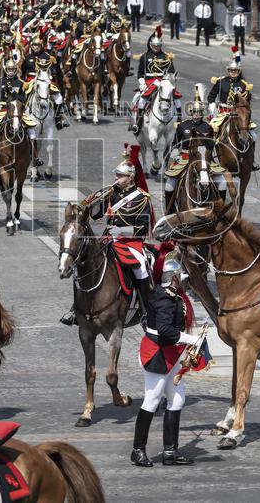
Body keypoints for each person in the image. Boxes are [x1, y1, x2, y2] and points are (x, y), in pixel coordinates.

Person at [60, 146, 153, 326]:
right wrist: (93, 203)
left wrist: (121, 232)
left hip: (129, 242)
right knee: (81, 263)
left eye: (120, 176)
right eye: (116, 175)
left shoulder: (142, 198)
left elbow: (142, 228)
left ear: (130, 178)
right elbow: (96, 215)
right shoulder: (112, 193)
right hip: (107, 239)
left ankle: (145, 310)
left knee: (141, 267)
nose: (116, 178)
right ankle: (75, 308)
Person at [131, 252, 199, 467]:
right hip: (158, 354)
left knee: (177, 400)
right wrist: (192, 339)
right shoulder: (164, 297)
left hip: (172, 353)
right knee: (151, 400)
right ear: (174, 278)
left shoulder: (171, 294)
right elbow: (165, 330)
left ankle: (170, 451)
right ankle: (137, 450)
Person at [164, 97, 227, 213]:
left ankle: (221, 211)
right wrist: (174, 153)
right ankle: (169, 212)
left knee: (222, 182)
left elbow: (211, 145)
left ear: (202, 113)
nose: (196, 115)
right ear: (191, 112)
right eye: (194, 112)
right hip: (185, 158)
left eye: (198, 112)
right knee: (169, 184)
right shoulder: (183, 126)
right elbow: (175, 143)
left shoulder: (208, 127)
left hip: (203, 158)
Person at [130, 27, 180, 135]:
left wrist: (170, 82)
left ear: (160, 46)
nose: (156, 48)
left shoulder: (167, 57)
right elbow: (139, 72)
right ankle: (137, 124)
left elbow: (172, 72)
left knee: (177, 101)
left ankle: (179, 124)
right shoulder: (145, 56)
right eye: (154, 46)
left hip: (163, 82)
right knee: (140, 100)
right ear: (150, 45)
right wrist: (142, 83)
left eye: (158, 46)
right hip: (149, 83)